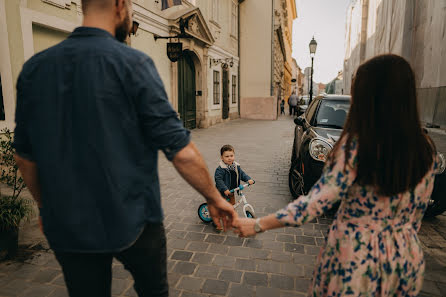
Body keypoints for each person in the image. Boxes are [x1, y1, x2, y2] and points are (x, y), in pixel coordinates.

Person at [13, 0, 236, 296]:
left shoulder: (35, 69)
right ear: (120, 6)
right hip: (136, 218)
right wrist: (213, 196)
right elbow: (181, 152)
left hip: (69, 222)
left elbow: (25, 157)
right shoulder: (134, 65)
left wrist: (45, 206)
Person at [233, 54, 440, 297]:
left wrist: (258, 224)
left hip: (355, 259)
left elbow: (313, 204)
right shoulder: (426, 148)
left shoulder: (357, 146)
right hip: (405, 260)